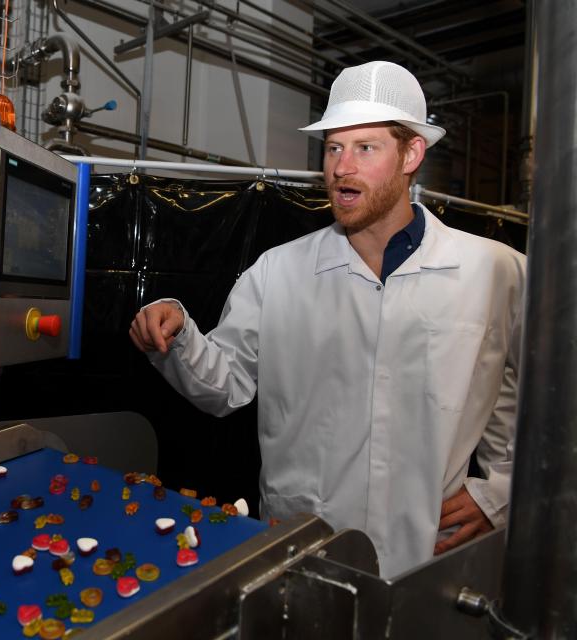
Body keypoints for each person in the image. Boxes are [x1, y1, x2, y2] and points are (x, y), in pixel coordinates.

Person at [129, 61, 524, 578]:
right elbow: (224, 385)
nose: (341, 167)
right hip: (302, 543)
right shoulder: (279, 271)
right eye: (334, 147)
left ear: (411, 154)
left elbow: (527, 398)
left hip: (428, 552)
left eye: (365, 148)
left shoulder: (494, 270)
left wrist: (500, 491)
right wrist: (178, 335)